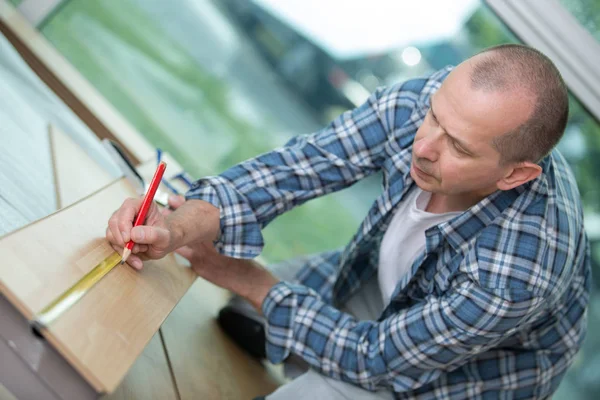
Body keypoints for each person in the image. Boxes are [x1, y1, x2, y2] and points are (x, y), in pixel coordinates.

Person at [106, 44, 591, 399]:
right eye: (434, 117)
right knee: (249, 308)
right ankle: (305, 350)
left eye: (458, 147)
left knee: (310, 380)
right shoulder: (431, 103)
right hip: (386, 285)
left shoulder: (519, 270)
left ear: (515, 175)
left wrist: (244, 276)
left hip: (460, 375)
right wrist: (174, 227)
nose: (423, 146)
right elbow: (296, 169)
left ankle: (310, 369)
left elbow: (378, 358)